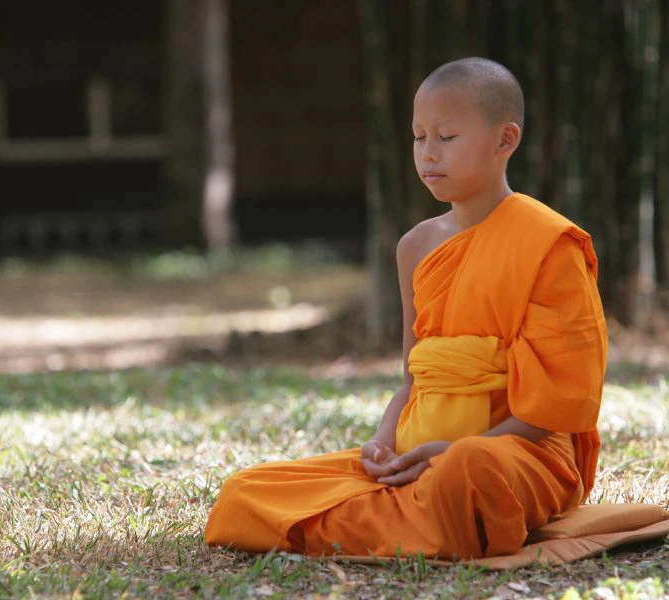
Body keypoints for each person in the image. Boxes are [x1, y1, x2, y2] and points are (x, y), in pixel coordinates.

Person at [204, 57, 608, 560]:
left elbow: (555, 410)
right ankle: (425, 517)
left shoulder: (550, 244)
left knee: (467, 473)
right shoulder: (415, 247)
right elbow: (414, 377)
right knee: (247, 490)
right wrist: (382, 444)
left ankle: (418, 514)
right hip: (416, 455)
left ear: (506, 140)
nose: (428, 154)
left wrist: (450, 453)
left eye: (447, 137)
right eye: (418, 137)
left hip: (515, 456)